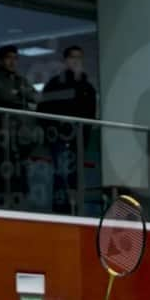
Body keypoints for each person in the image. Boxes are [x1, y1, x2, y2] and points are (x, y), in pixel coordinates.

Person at [39, 45, 98, 212]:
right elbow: (43, 111)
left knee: (76, 175)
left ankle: (77, 210)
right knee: (61, 173)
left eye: (79, 57)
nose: (76, 61)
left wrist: (84, 137)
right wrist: (53, 132)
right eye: (72, 57)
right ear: (65, 61)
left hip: (78, 139)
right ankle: (61, 210)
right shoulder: (55, 84)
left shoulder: (87, 88)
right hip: (58, 138)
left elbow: (90, 116)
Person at [0, 45, 37, 114]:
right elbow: (4, 98)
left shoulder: (20, 79)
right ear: (0, 60)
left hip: (21, 118)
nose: (13, 62)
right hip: (0, 118)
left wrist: (17, 92)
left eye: (15, 58)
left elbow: (36, 97)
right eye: (9, 58)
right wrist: (22, 94)